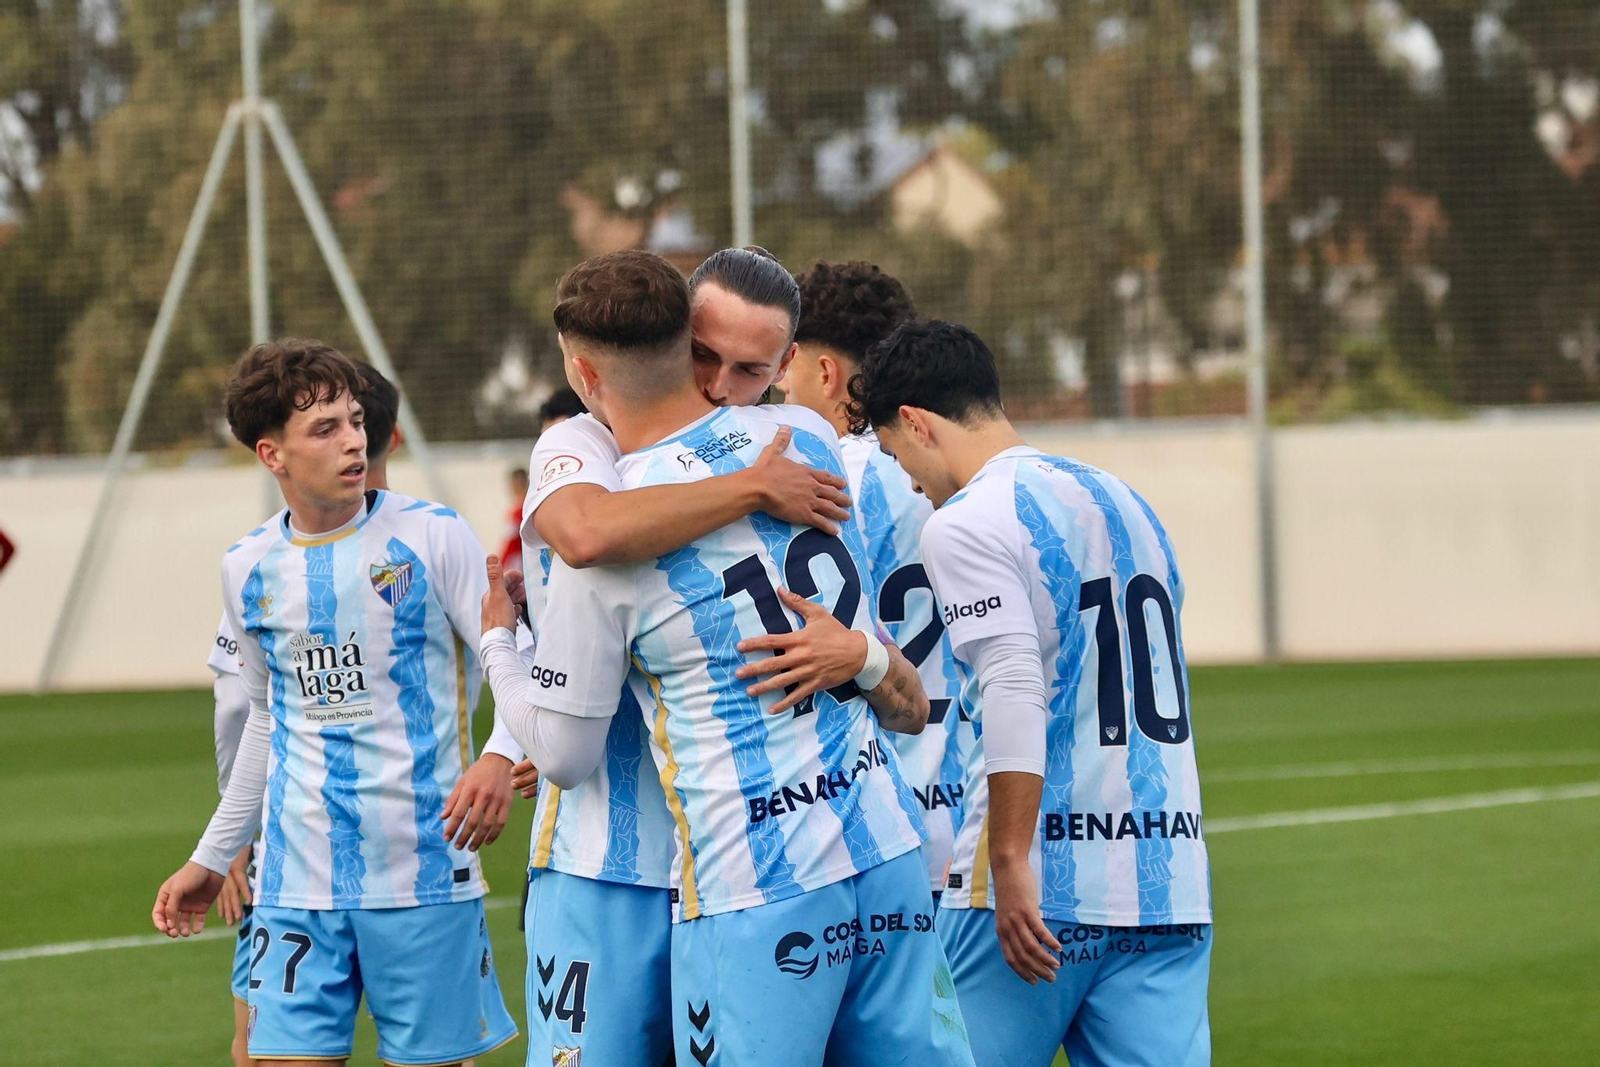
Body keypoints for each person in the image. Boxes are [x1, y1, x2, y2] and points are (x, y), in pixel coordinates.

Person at [480, 249, 971, 1067]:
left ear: (580, 369)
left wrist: (500, 646)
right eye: (710, 358)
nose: (722, 381)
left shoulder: (612, 520)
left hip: (749, 880)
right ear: (685, 336)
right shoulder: (807, 440)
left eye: (749, 367)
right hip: (881, 845)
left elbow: (564, 750)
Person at [848, 320, 1213, 1067]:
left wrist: (1010, 858)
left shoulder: (966, 521)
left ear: (915, 421)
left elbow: (1013, 681)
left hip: (1036, 889)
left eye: (898, 454)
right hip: (1167, 877)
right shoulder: (1124, 500)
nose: (912, 483)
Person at [153, 339, 518, 1067]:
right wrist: (215, 852)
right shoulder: (247, 567)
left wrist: (501, 754)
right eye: (325, 428)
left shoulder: (431, 535)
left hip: (423, 877)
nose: (353, 439)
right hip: (293, 884)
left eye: (354, 420)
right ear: (272, 454)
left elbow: (515, 658)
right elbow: (266, 715)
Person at [782, 260, 975, 903]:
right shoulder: (957, 472)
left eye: (788, 370)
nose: (782, 392)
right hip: (973, 804)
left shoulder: (810, 483)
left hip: (868, 823)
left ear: (827, 372)